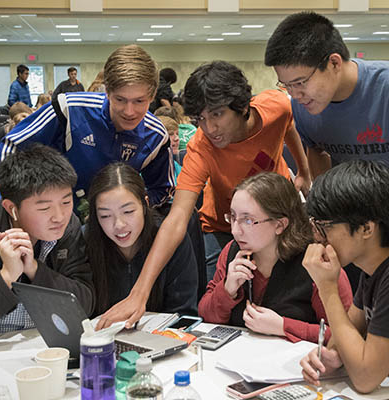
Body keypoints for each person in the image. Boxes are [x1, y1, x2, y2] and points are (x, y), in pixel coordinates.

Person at [97, 60, 311, 328]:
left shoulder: (275, 106)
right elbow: (177, 220)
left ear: (242, 107)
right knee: (216, 308)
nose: (210, 129)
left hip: (276, 222)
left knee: (288, 299)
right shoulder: (202, 147)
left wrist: (304, 171)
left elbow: (287, 125)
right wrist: (139, 294)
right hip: (222, 229)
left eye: (218, 115)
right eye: (200, 120)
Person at [0, 45, 174, 217]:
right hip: (54, 220)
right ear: (107, 91)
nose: (129, 111)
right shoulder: (68, 109)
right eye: (120, 100)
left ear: (152, 96)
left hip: (112, 227)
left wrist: (139, 204)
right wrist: (8, 211)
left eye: (139, 101)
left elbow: (162, 189)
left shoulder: (156, 136)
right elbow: (11, 147)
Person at [198, 172, 352, 343]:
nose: (235, 230)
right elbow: (206, 316)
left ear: (280, 225)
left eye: (247, 221)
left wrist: (283, 326)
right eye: (233, 217)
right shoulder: (232, 252)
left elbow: (346, 337)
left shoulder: (316, 261)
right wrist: (226, 291)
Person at [264, 11, 389, 180]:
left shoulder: (383, 87)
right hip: (351, 201)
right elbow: (316, 149)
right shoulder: (303, 105)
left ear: (334, 63)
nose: (294, 94)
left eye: (300, 82)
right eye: (287, 85)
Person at [300, 160, 389, 393]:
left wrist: (327, 288)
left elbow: (365, 379)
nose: (318, 237)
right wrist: (332, 358)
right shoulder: (372, 270)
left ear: (366, 228)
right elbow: (343, 337)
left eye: (324, 226)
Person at [0, 144, 95, 333]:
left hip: (46, 345)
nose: (59, 216)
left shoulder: (69, 227)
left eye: (66, 202)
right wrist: (7, 276)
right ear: (11, 208)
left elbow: (85, 303)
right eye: (44, 208)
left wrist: (35, 269)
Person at [86, 163, 198, 320]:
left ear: (145, 204)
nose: (119, 225)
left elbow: (184, 313)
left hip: (160, 339)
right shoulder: (86, 241)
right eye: (105, 216)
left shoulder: (170, 239)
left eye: (128, 212)